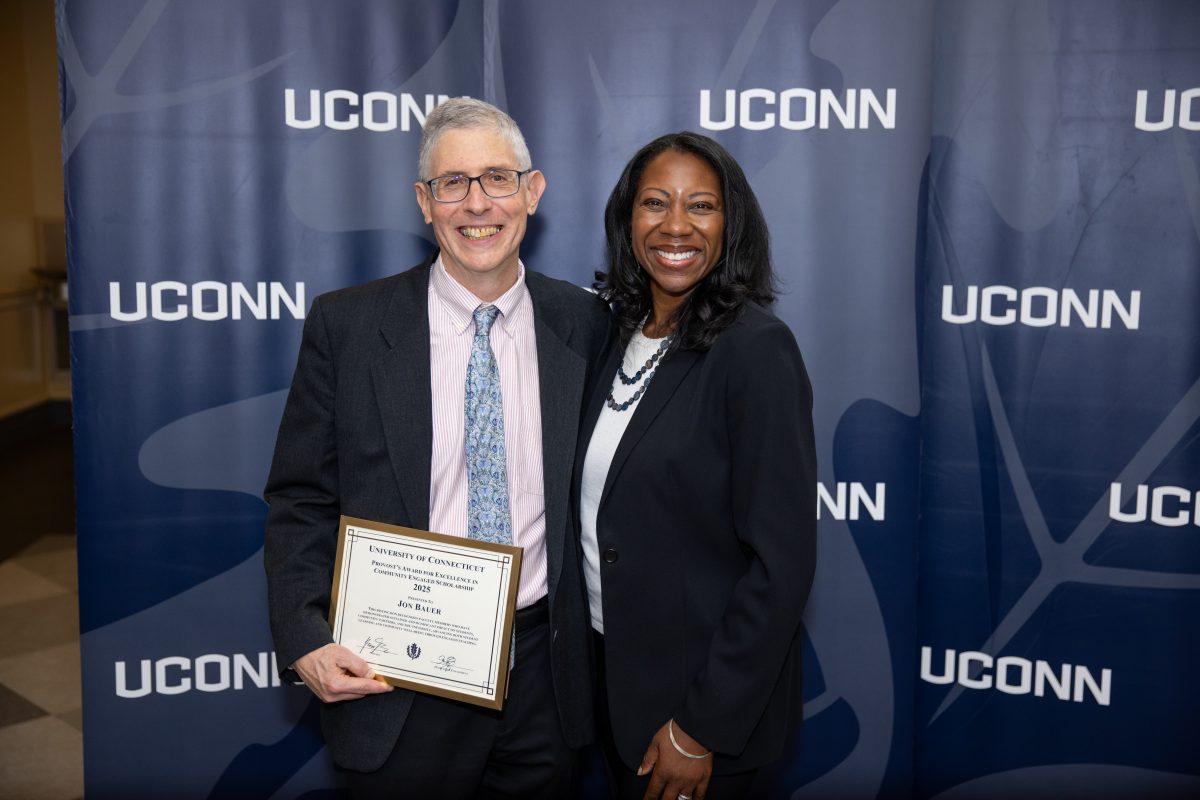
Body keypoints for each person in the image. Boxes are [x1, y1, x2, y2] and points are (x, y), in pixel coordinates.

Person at [264, 97, 610, 799]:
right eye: (453, 183)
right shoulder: (348, 326)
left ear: (532, 191)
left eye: (496, 178)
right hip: (398, 678)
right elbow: (300, 497)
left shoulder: (588, 323)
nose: (476, 203)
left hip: (546, 677)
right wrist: (305, 636)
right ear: (425, 203)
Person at [575, 132, 817, 800]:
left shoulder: (756, 351)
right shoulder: (612, 337)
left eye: (701, 206)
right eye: (655, 203)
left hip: (696, 717)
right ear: (628, 221)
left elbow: (782, 565)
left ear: (730, 223)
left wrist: (699, 728)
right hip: (613, 687)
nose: (675, 224)